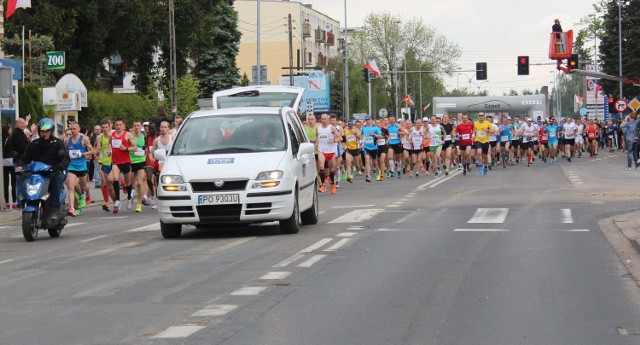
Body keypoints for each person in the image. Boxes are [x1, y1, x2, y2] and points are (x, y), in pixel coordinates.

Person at [16, 119, 70, 219]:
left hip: (52, 170)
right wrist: (21, 166)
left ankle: (54, 209)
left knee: (57, 178)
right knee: (24, 176)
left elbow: (66, 158)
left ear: (51, 131)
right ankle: (24, 203)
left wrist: (58, 167)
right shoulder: (34, 144)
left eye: (47, 131)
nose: (44, 133)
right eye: (42, 131)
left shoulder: (57, 143)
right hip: (38, 171)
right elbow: (25, 157)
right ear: (39, 131)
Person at [108, 118, 138, 214]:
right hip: (115, 162)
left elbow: (135, 148)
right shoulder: (112, 135)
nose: (118, 126)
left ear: (124, 126)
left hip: (125, 162)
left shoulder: (127, 135)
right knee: (115, 178)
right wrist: (109, 151)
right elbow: (110, 144)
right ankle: (117, 200)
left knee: (127, 183)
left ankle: (129, 198)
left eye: (120, 125)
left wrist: (126, 148)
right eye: (116, 125)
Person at [64, 122, 93, 216]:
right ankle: (72, 208)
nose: (72, 131)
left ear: (79, 129)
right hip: (71, 167)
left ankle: (85, 194)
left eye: (74, 129)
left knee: (83, 186)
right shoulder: (68, 140)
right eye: (71, 129)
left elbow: (92, 151)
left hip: (82, 167)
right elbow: (65, 152)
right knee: (70, 186)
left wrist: (82, 154)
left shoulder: (84, 139)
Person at [2, 124, 15, 208]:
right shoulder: (11, 139)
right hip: (11, 161)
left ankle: (6, 202)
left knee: (5, 183)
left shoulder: (2, 139)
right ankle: (14, 201)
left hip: (4, 162)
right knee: (13, 182)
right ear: (8, 130)